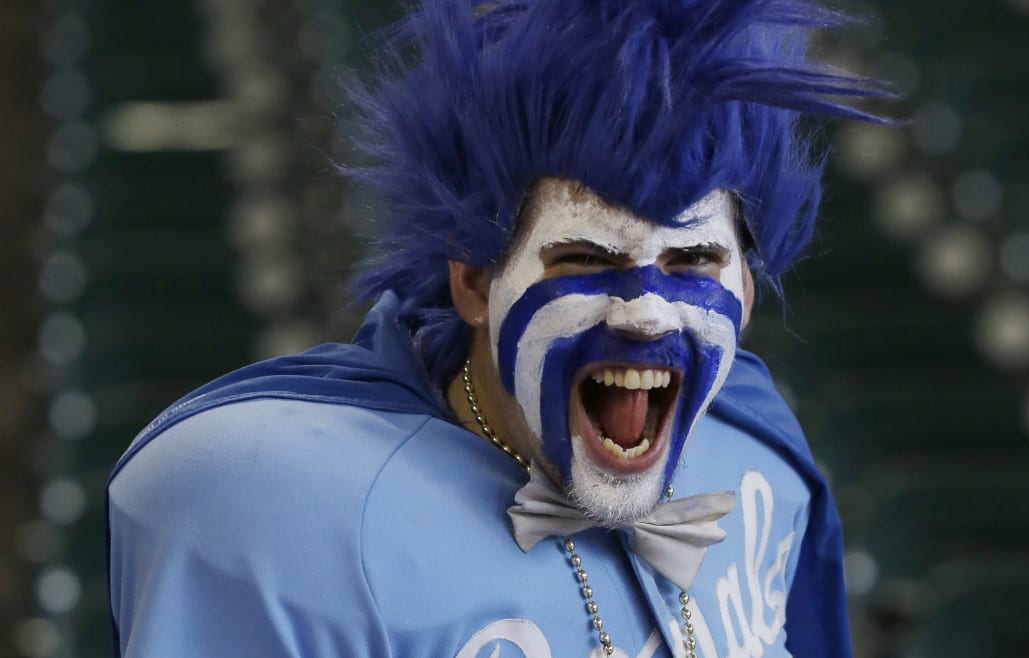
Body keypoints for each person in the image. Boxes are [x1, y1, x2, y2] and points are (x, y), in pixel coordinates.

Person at [107, 1, 882, 656]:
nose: (645, 313)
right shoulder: (278, 511)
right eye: (584, 256)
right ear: (474, 278)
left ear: (744, 288)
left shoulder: (761, 451)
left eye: (692, 262)